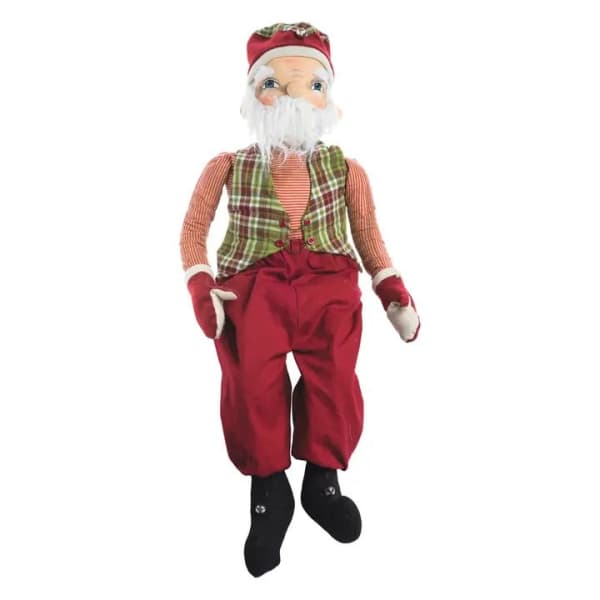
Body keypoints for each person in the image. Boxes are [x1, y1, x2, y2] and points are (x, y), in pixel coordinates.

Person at [179, 22, 420, 577]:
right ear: (252, 93)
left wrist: (391, 288)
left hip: (328, 288)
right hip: (252, 289)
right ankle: (269, 493)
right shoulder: (227, 165)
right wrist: (199, 283)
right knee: (250, 386)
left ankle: (321, 483)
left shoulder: (347, 170)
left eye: (311, 85)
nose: (293, 98)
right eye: (275, 84)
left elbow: (368, 234)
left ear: (327, 96)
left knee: (334, 380)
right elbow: (193, 228)